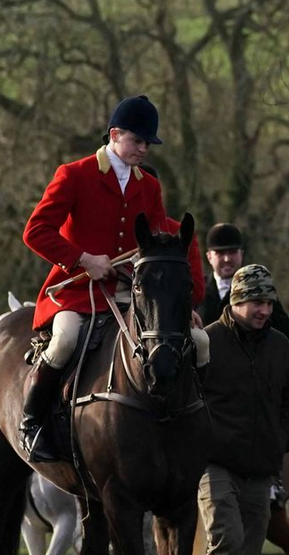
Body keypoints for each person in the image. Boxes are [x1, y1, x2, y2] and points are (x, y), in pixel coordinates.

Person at [21, 94, 208, 463]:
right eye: (137, 141)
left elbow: (155, 243)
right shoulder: (73, 175)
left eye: (147, 144)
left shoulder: (149, 187)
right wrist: (82, 259)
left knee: (198, 341)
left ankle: (197, 420)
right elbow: (35, 231)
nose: (143, 150)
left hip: (128, 291)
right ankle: (33, 422)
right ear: (115, 134)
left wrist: (177, 305)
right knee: (64, 341)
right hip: (76, 290)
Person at [197, 263, 289, 555]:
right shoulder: (209, 341)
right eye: (258, 302)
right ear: (236, 301)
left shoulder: (279, 346)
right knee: (226, 541)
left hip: (261, 467)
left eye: (269, 302)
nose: (265, 310)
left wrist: (283, 438)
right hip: (215, 462)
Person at [201, 223, 289, 337]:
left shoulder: (258, 283)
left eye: (232, 252)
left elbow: (285, 330)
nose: (227, 259)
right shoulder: (197, 289)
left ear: (241, 254)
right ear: (209, 256)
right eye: (220, 253)